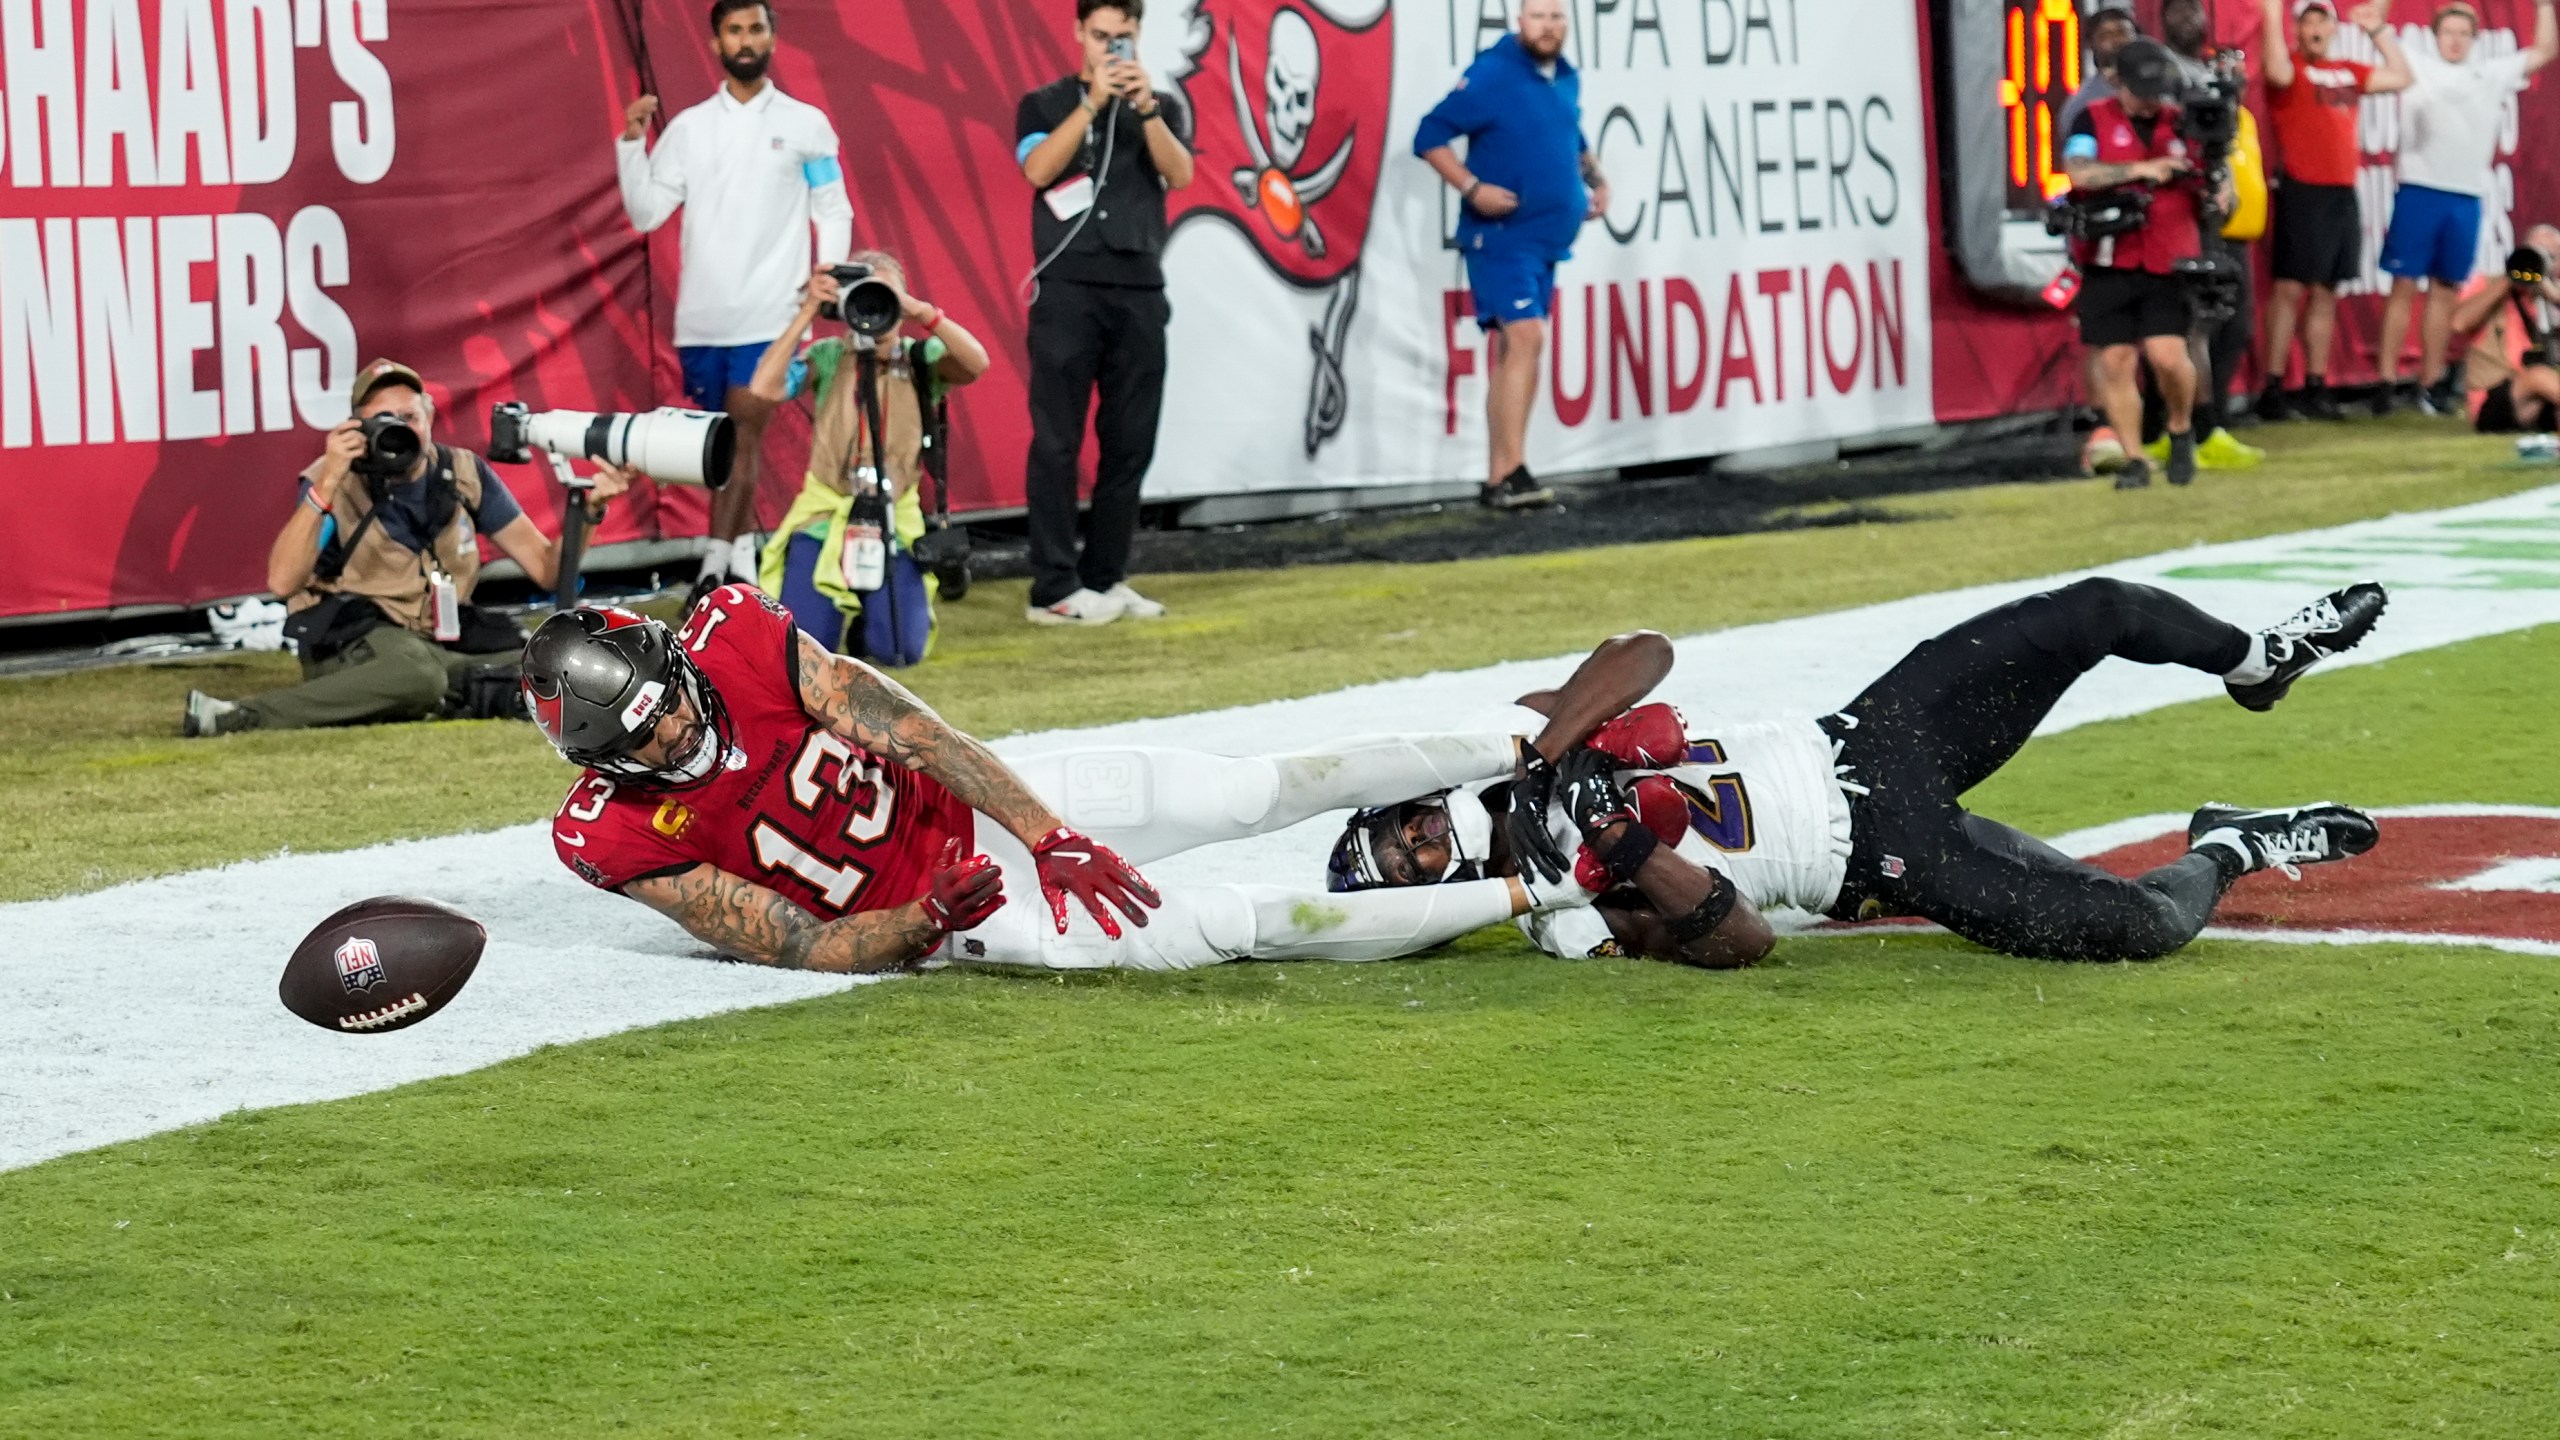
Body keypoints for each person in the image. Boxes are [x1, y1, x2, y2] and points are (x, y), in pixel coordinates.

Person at [1326, 578, 2390, 967]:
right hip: (1882, 855)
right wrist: (1622, 846)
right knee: (2140, 929)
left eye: (1405, 826)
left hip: (1868, 736)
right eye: (1411, 859)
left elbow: (1646, 647)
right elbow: (1739, 942)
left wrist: (1564, 757)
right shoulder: (1559, 913)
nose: (1426, 838)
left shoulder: (1524, 741)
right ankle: (2232, 842)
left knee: (2098, 610)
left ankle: (2258, 662)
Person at [524, 588, 1585, 971]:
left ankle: (1515, 746)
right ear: (599, 759)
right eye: (642, 732)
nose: (670, 723)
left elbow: (918, 736)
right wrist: (922, 922)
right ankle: (1546, 888)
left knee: (1248, 792)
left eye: (664, 694)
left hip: (990, 816)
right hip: (959, 919)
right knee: (1232, 921)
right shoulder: (607, 836)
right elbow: (797, 942)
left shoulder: (738, 635)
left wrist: (1044, 832)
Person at [182, 360, 633, 737]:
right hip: (356, 639)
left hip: (442, 638)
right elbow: (282, 582)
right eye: (385, 421)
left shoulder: (462, 471)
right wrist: (328, 484)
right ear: (357, 426)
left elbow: (549, 571)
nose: (402, 430)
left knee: (556, 659)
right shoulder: (334, 478)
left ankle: (453, 689)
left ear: (430, 415)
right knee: (416, 673)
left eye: (410, 417)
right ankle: (238, 717)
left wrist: (590, 510)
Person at [617, 0, 855, 586]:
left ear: (773, 38)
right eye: (734, 31)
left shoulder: (806, 124)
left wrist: (828, 276)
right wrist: (630, 144)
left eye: (756, 28)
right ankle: (743, 570)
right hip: (703, 320)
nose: (746, 40)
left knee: (743, 434)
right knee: (722, 446)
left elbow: (833, 207)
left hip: (774, 316)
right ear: (716, 43)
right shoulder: (689, 129)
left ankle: (715, 568)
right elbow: (647, 213)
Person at [1013, 0, 1195, 627]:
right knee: (1058, 440)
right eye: (1100, 36)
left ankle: (1105, 575)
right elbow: (1038, 168)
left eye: (1123, 37)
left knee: (1130, 441)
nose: (1112, 49)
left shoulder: (1161, 105)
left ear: (1139, 35)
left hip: (1140, 288)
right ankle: (1053, 586)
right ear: (1078, 35)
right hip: (1067, 289)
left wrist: (1143, 108)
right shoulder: (1044, 102)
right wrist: (1090, 103)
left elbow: (1182, 172)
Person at [745, 257, 991, 666]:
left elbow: (976, 364)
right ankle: (847, 610)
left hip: (897, 518)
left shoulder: (921, 359)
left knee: (899, 650)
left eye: (885, 296)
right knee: (803, 651)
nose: (876, 309)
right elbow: (763, 387)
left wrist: (922, 312)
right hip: (826, 515)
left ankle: (867, 622)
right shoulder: (829, 355)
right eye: (865, 296)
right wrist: (808, 309)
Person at [1414, 0, 1610, 512]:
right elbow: (1429, 134)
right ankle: (1511, 469)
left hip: (1547, 242)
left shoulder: (1563, 77)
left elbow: (1571, 133)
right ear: (1519, 21)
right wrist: (1472, 186)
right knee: (1525, 335)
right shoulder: (1493, 73)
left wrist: (1595, 178)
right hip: (1501, 237)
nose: (1549, 26)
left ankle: (1504, 474)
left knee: (1518, 347)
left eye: (1558, 17)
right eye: (1539, 16)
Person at [2373, 0, 2557, 416]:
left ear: (2475, 39)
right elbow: (2376, 24)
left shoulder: (2490, 72)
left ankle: (2430, 384)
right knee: (2403, 286)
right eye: (2448, 32)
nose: (2455, 41)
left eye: (2463, 33)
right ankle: (2385, 384)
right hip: (2419, 190)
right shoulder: (2416, 63)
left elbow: (2545, 50)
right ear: (2435, 36)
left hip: (2465, 196)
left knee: (2445, 292)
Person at [2063, 39, 2222, 489]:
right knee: (2114, 359)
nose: (2152, 98)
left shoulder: (2184, 123)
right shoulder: (2090, 119)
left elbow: (2212, 176)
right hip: (2110, 256)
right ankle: (2134, 457)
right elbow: (2078, 171)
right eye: (2142, 89)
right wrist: (2141, 169)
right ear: (2119, 83)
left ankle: (2179, 427)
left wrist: (2218, 189)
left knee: (2168, 356)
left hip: (2169, 257)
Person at [2256, 0, 2413, 422]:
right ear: (2298, 28)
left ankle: (2315, 384)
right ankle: (2272, 387)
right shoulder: (2292, 68)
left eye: (2321, 20)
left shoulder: (2348, 69)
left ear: (2332, 27)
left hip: (2342, 192)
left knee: (2327, 290)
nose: (2314, 28)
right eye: (2307, 21)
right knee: (2290, 289)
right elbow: (2275, 72)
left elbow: (2401, 76)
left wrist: (2377, 32)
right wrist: (2272, 16)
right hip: (2303, 189)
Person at [2149, 0, 2267, 470]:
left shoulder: (2227, 99)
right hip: (2189, 225)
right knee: (2193, 329)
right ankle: (2191, 426)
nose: (2189, 20)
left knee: (2232, 327)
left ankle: (2209, 422)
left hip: (2230, 229)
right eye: (2177, 12)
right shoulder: (2163, 75)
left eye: (2195, 11)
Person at [2064, 6, 2145, 478]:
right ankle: (2103, 428)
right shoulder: (2084, 108)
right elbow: (2078, 175)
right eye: (2106, 33)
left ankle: (2148, 426)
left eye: (2124, 32)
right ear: (2091, 45)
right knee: (2106, 342)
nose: (2115, 40)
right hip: (2101, 237)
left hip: (2150, 236)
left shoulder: (2154, 96)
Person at [2448, 233, 2560, 432]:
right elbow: (2459, 323)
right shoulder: (2490, 283)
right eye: (2531, 251)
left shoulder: (2551, 294)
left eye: (2548, 256)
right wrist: (2507, 282)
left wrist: (2552, 296)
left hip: (2538, 400)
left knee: (2541, 378)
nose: (2535, 259)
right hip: (2492, 397)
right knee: (2538, 376)